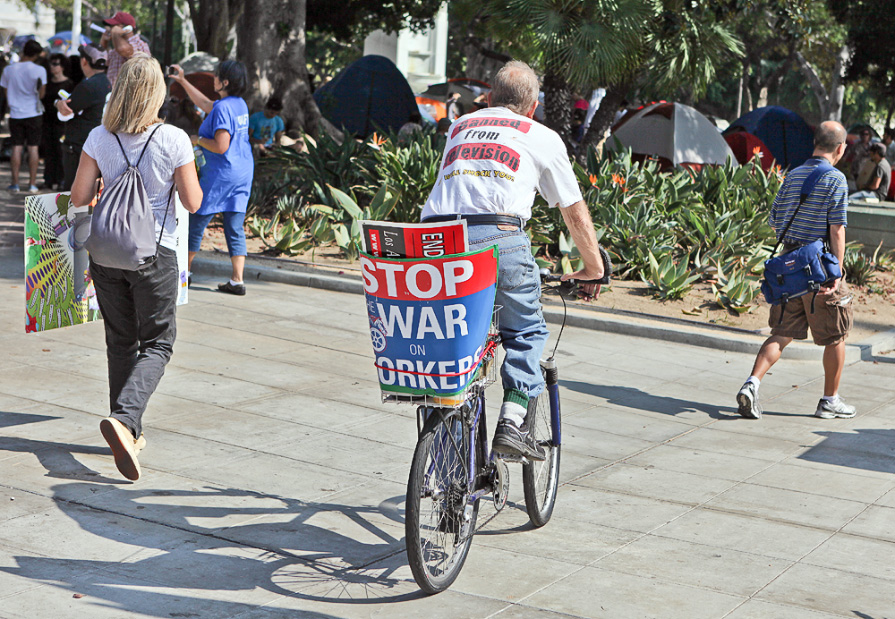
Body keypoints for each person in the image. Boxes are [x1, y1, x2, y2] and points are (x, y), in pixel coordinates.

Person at [421, 60, 605, 459]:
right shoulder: (541, 136)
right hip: (498, 239)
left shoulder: (459, 127)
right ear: (533, 105)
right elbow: (572, 209)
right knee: (525, 332)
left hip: (434, 245)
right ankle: (511, 420)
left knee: (453, 334)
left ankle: (445, 434)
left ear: (487, 98)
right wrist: (593, 268)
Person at [69, 54, 202, 480]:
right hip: (154, 253)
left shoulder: (98, 136)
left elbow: (78, 196)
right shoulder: (174, 139)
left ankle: (127, 428)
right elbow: (192, 202)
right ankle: (125, 421)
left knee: (120, 341)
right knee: (159, 343)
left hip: (105, 252)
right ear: (157, 93)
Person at [736, 121, 855, 421]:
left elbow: (775, 220)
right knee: (835, 337)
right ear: (840, 148)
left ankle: (752, 385)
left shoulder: (793, 175)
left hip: (789, 272)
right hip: (819, 272)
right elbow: (837, 230)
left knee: (781, 334)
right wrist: (836, 272)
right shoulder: (836, 179)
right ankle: (830, 400)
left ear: (815, 142)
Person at [170, 60, 254, 295]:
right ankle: (237, 281)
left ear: (224, 81)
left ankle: (182, 275)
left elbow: (220, 146)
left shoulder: (223, 108)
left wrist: (196, 139)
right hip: (242, 173)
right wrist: (183, 81)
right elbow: (207, 104)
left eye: (217, 76)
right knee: (234, 227)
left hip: (221, 175)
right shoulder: (238, 104)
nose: (213, 79)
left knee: (196, 220)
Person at [55, 45, 110, 191]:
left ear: (84, 61)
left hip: (80, 146)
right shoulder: (109, 83)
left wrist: (58, 103)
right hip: (101, 144)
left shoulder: (88, 86)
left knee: (74, 193)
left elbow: (65, 113)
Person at [0, 40, 47, 192]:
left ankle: (15, 183)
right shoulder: (40, 70)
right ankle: (32, 184)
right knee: (34, 148)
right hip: (34, 113)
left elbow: (5, 92)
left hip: (15, 113)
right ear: (36, 54)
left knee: (16, 148)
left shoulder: (9, 69)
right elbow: (42, 94)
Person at [40, 53, 73, 189]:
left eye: (56, 64)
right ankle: (48, 179)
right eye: (51, 64)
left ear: (63, 66)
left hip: (62, 123)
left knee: (60, 151)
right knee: (48, 150)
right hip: (47, 121)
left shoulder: (69, 83)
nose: (52, 67)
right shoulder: (46, 83)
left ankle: (61, 179)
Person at [99, 11, 150, 88]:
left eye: (113, 26)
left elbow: (125, 51)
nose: (111, 29)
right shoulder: (115, 50)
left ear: (127, 28)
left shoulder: (140, 44)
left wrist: (115, 34)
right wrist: (104, 42)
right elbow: (100, 60)